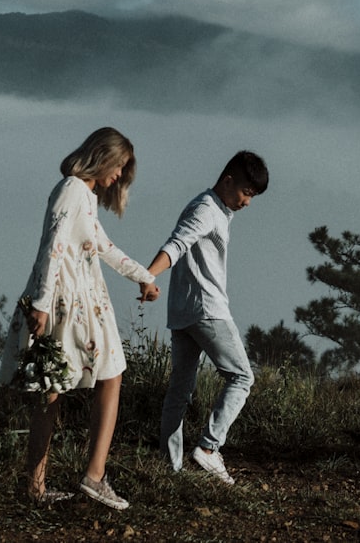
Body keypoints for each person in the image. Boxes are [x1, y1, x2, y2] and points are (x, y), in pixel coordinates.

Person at [0, 127, 160, 509]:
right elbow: (53, 245)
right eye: (119, 166)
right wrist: (39, 302)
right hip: (70, 301)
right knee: (109, 375)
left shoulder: (81, 194)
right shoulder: (72, 190)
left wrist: (144, 276)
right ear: (102, 156)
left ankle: (36, 489)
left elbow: (103, 247)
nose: (119, 176)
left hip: (75, 299)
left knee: (51, 389)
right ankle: (94, 475)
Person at [145, 150, 269, 484]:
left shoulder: (213, 208)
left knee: (180, 391)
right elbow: (177, 244)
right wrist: (148, 275)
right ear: (228, 181)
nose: (247, 202)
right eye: (246, 192)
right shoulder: (206, 210)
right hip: (206, 310)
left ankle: (170, 468)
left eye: (253, 196)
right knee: (242, 377)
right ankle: (209, 449)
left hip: (183, 312)